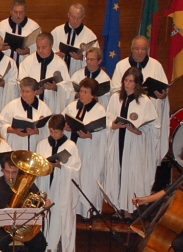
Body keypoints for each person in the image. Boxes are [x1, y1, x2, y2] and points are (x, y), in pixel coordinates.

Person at [104, 67, 159, 221]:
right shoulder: (116, 98)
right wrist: (113, 126)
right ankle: (118, 208)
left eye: (131, 81)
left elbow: (153, 128)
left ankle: (129, 210)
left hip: (134, 144)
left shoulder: (144, 101)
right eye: (126, 80)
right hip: (118, 141)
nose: (128, 84)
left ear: (137, 84)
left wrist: (138, 131)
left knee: (131, 174)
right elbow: (108, 118)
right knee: (118, 172)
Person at [110, 36, 169, 167]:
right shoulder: (121, 65)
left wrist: (163, 96)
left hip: (146, 117)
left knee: (142, 163)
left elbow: (165, 91)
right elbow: (114, 90)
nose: (140, 52)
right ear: (131, 49)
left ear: (148, 49)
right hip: (126, 114)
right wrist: (131, 89)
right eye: (136, 49)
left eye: (143, 49)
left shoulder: (156, 66)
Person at [61, 78, 107, 218]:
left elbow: (105, 134)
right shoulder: (72, 106)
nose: (82, 94)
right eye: (81, 91)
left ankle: (87, 211)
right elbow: (62, 120)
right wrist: (65, 126)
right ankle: (72, 210)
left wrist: (90, 136)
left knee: (87, 179)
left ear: (93, 95)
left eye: (86, 92)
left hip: (88, 150)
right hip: (72, 148)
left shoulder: (100, 110)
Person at [0, 152, 49, 252]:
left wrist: (44, 205)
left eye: (14, 172)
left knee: (40, 244)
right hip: (1, 228)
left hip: (24, 226)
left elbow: (38, 207)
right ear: (2, 170)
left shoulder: (29, 185)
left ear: (19, 171)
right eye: (7, 172)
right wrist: (6, 212)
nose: (10, 176)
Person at [34, 114, 81, 252]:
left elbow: (76, 170)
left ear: (63, 130)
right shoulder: (42, 144)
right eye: (51, 131)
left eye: (56, 132)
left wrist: (61, 166)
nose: (53, 135)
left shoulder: (70, 146)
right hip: (45, 185)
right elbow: (36, 165)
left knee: (59, 219)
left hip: (61, 189)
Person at [18, 32, 73, 114]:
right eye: (38, 47)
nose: (40, 50)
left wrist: (56, 88)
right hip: (30, 106)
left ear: (51, 46)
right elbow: (21, 83)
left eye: (43, 47)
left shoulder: (60, 64)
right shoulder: (27, 62)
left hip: (51, 106)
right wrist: (34, 91)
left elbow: (69, 90)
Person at [0, 77, 52, 151]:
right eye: (22, 91)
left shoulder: (43, 107)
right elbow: (0, 125)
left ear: (35, 92)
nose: (24, 94)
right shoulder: (12, 105)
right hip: (16, 145)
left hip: (35, 146)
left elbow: (49, 129)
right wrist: (14, 130)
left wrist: (37, 131)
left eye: (27, 91)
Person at [51, 3, 99, 75]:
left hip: (79, 75)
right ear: (68, 15)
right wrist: (55, 55)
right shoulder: (57, 31)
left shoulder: (90, 36)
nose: (75, 20)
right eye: (73, 17)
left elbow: (96, 58)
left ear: (83, 17)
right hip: (58, 72)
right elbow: (48, 50)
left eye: (78, 17)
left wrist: (82, 58)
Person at [0, 0, 40, 65]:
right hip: (5, 64)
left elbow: (40, 47)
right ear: (10, 11)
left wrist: (29, 51)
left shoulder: (34, 27)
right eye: (15, 12)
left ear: (25, 12)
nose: (18, 15)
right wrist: (0, 48)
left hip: (26, 64)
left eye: (21, 12)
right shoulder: (2, 26)